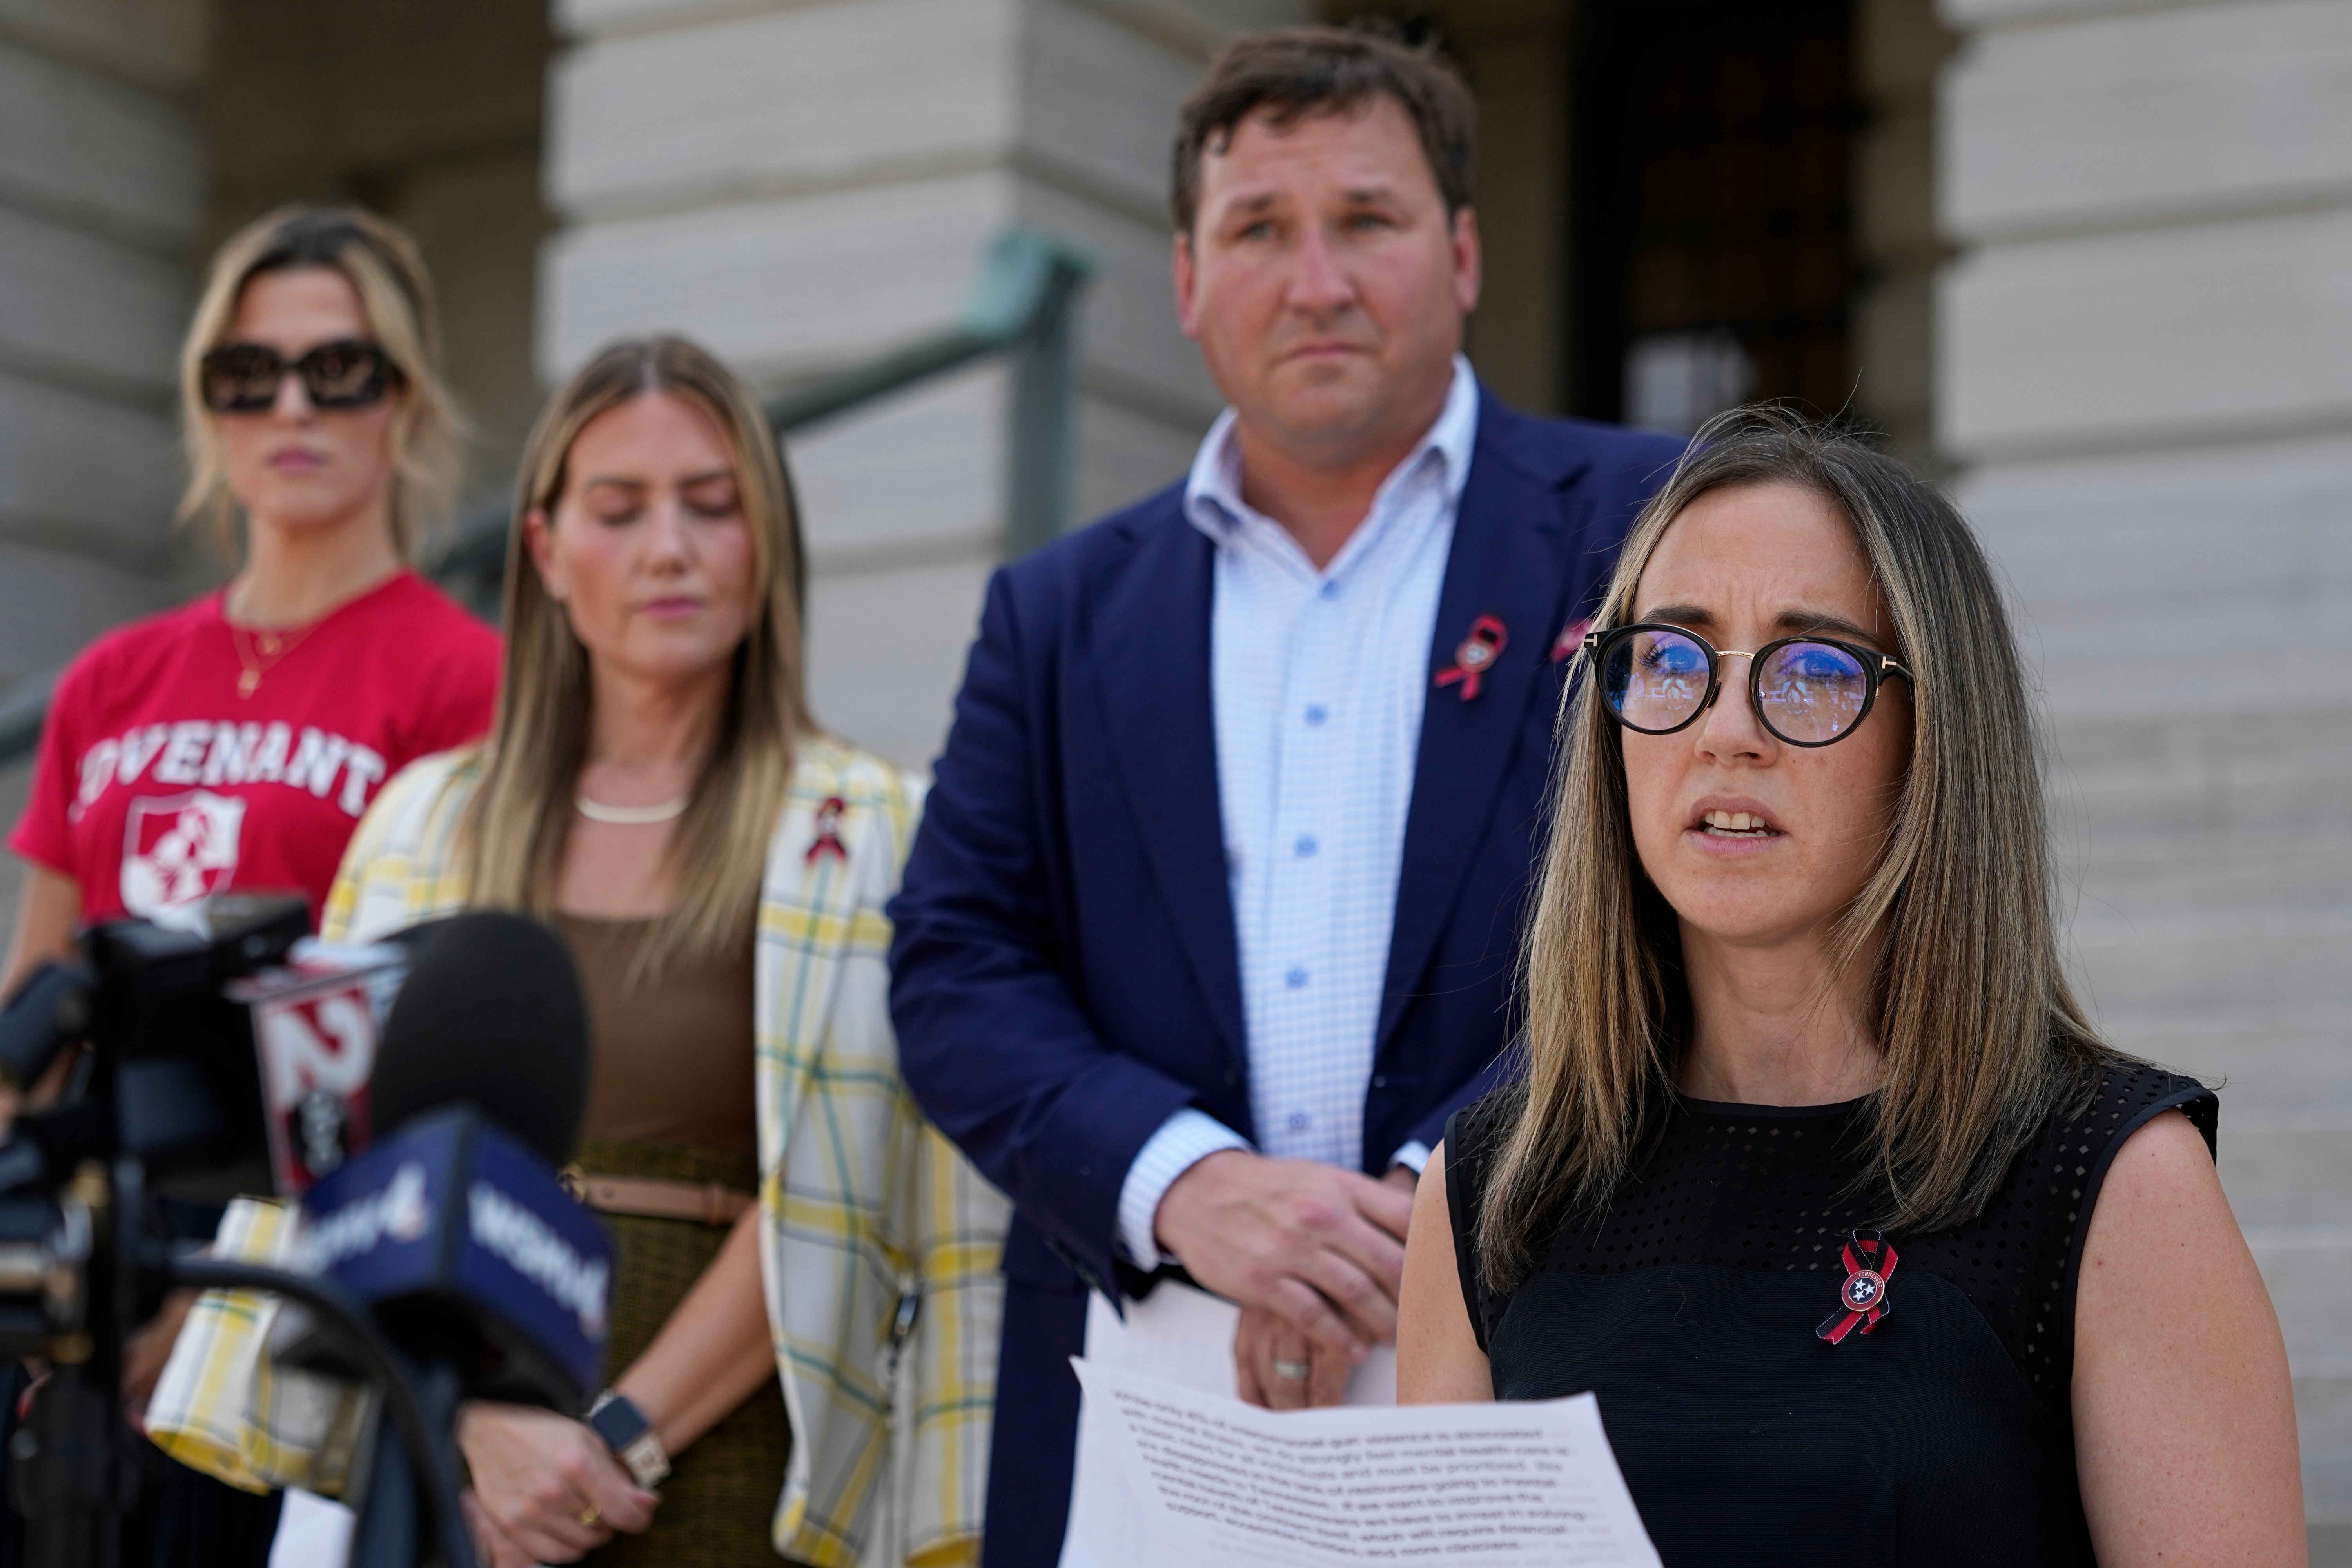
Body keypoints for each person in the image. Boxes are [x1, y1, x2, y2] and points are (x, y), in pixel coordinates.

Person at [887, 24, 1683, 1566]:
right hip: (1150, 1408)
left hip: (1543, 1336)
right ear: (1185, 280)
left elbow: (1700, 920)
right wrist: (1191, 1187)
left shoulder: (1647, 530)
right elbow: (954, 961)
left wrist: (1420, 1201)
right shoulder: (1055, 615)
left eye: (1367, 220)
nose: (1315, 280)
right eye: (1259, 229)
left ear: (1459, 251)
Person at [152, 336, 1010, 1567]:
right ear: (547, 552)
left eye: (713, 508)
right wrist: (479, 1429)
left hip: (729, 1449)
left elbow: (847, 1174)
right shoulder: (427, 818)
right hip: (447, 1429)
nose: (670, 548)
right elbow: (338, 1164)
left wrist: (617, 1436)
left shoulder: (873, 824)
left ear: (766, 547)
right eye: (620, 511)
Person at [1397, 408, 2305, 1565]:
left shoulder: (2110, 1185)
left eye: (1813, 670)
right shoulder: (1492, 1188)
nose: (1725, 731)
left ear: (1933, 740)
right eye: (1672, 659)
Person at [1, 202, 499, 1567]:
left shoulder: (463, 677)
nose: (291, 404)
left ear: (404, 401)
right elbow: (36, 999)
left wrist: (209, 1305)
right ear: (206, 405)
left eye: (338, 369)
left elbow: (424, 1051)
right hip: (84, 1219)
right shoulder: (114, 677)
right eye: (247, 373)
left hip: (295, 1234)